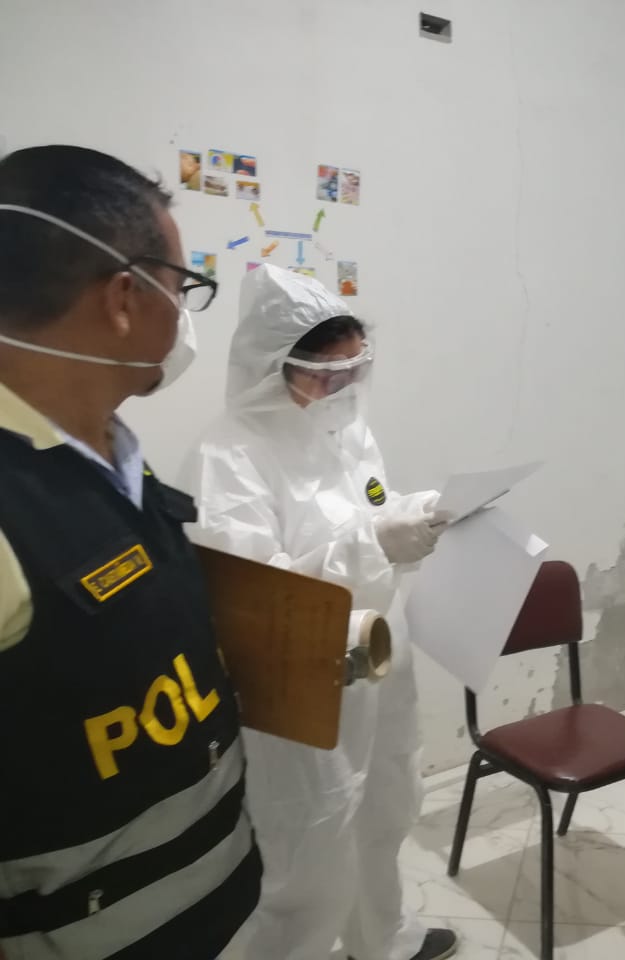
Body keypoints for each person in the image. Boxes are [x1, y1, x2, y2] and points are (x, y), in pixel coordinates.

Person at [0, 145, 260, 958]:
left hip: (205, 917)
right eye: (181, 288)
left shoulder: (112, 458)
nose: (183, 315)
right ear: (123, 298)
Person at [180, 264, 456, 960]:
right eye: (328, 373)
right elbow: (256, 597)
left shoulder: (346, 429)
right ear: (275, 364)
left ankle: (382, 941)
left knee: (385, 809)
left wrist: (414, 513)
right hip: (301, 683)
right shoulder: (228, 457)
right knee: (307, 850)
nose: (344, 387)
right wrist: (374, 544)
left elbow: (370, 506)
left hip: (377, 658)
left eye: (355, 370)